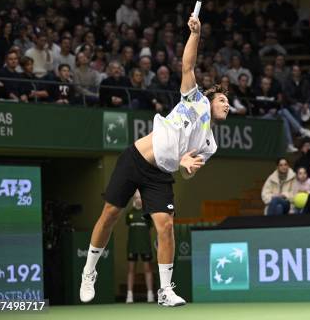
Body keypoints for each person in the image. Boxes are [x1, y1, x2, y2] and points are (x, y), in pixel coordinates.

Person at [80, 16, 229, 307]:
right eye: (223, 101)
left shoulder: (210, 144)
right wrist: (195, 34)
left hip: (160, 175)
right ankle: (88, 272)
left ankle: (165, 291)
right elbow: (187, 65)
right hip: (136, 159)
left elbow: (187, 173)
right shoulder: (195, 100)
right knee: (110, 214)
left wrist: (186, 167)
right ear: (211, 100)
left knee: (166, 227)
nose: (228, 106)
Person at [125, 190, 155, 304]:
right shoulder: (129, 214)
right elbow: (127, 224)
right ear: (133, 199)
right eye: (136, 197)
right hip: (132, 246)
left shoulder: (148, 213)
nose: (138, 199)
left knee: (148, 269)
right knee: (131, 270)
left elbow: (151, 227)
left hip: (145, 246)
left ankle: (150, 294)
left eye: (140, 197)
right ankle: (129, 295)